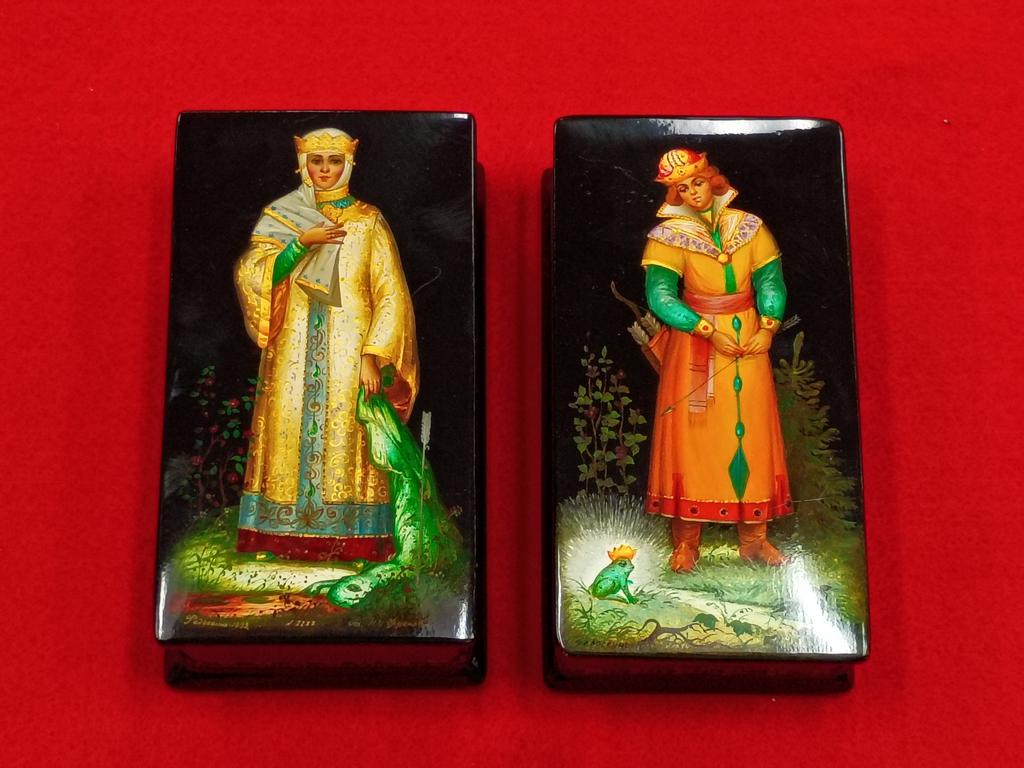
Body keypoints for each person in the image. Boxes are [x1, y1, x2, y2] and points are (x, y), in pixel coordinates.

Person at [233, 128, 418, 562]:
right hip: (292, 344)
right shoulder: (283, 215)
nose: (324, 170)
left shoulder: (368, 220)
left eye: (334, 161)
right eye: (316, 161)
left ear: (348, 164)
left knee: (347, 426)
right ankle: (276, 535)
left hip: (350, 346)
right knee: (288, 420)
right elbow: (253, 274)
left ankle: (356, 539)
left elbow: (390, 293)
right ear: (303, 164)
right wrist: (301, 244)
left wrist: (373, 356)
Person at [641, 148, 792, 572]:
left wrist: (767, 327)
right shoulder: (667, 237)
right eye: (683, 187)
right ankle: (686, 544)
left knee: (752, 433)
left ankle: (755, 540)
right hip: (696, 343)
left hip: (749, 339)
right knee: (694, 440)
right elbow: (660, 296)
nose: (693, 192)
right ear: (675, 193)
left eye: (698, 182)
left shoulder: (749, 226)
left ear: (712, 179)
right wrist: (706, 328)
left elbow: (770, 281)